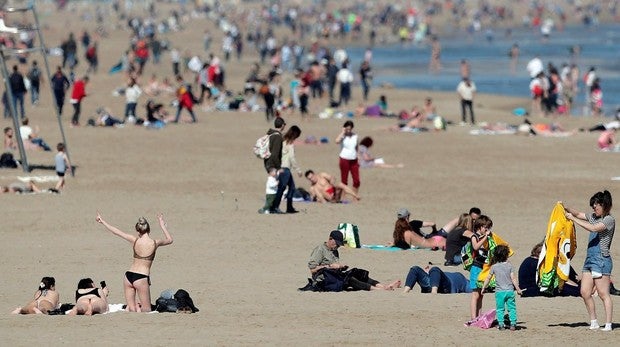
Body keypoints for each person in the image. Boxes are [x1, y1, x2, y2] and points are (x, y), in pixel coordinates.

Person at [96, 212, 173, 312]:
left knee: (131, 309)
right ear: (149, 229)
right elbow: (170, 240)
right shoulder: (155, 242)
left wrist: (103, 221)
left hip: (128, 276)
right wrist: (162, 225)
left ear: (138, 231)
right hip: (141, 277)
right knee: (147, 309)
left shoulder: (134, 240)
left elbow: (116, 232)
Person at [563, 190, 615, 331]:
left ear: (604, 205)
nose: (594, 208)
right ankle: (594, 321)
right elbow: (579, 214)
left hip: (601, 259)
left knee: (603, 294)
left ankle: (608, 324)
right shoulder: (594, 216)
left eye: (596, 206)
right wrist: (567, 208)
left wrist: (573, 219)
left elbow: (593, 228)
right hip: (589, 260)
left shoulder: (608, 220)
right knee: (585, 292)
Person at [308, 230, 400, 291]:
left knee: (358, 273)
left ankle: (383, 286)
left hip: (335, 276)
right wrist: (329, 266)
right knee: (350, 279)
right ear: (330, 239)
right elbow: (312, 269)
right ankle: (380, 290)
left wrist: (341, 267)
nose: (338, 246)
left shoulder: (335, 251)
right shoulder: (320, 249)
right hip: (324, 280)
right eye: (337, 243)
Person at [481, 245, 522, 331]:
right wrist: (517, 288)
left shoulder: (494, 267)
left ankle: (501, 324)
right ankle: (513, 324)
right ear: (506, 255)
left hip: (499, 292)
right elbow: (513, 278)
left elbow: (488, 278)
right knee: (512, 308)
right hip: (510, 291)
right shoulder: (509, 266)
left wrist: (484, 287)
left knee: (500, 309)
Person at [468, 215, 493, 320]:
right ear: (480, 226)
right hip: (476, 267)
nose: (487, 230)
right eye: (486, 227)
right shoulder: (474, 236)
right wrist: (485, 237)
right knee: (475, 294)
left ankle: (479, 316)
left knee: (481, 294)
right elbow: (475, 247)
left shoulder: (485, 238)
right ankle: (474, 318)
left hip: (484, 268)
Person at [263, 117, 286, 213]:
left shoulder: (271, 134)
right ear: (282, 125)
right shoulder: (277, 137)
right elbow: (275, 154)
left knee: (273, 186)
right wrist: (278, 168)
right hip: (272, 164)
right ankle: (269, 208)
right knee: (273, 186)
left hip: (268, 162)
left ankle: (271, 207)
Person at [402, 265, 470, 294]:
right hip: (442, 284)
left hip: (444, 286)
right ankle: (405, 291)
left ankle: (405, 291)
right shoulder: (463, 279)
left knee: (415, 269)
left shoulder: (463, 280)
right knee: (415, 269)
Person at [280, 125, 302, 213]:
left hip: (280, 167)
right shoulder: (290, 144)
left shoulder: (282, 141)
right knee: (285, 188)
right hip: (286, 168)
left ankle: (289, 207)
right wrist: (298, 170)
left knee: (290, 187)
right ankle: (282, 207)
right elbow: (292, 158)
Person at [335, 120, 360, 195]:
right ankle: (343, 196)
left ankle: (355, 196)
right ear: (345, 128)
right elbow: (336, 141)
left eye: (350, 129)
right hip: (344, 159)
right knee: (344, 180)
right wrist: (343, 132)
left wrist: (358, 156)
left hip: (354, 160)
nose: (348, 130)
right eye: (347, 129)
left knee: (357, 180)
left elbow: (356, 147)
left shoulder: (355, 136)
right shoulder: (343, 136)